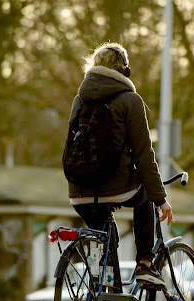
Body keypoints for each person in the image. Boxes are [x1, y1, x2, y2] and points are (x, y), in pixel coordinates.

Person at [67, 42, 173, 287]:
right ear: (124, 69)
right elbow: (143, 154)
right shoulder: (130, 100)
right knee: (144, 194)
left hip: (79, 191)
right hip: (115, 187)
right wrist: (160, 198)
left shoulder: (79, 100)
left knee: (105, 240)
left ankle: (105, 290)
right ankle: (145, 264)